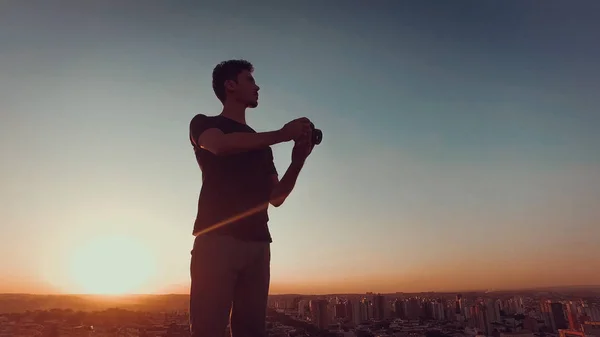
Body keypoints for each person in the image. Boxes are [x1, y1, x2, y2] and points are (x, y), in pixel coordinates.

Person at [188, 59, 314, 337]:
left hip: (258, 245)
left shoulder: (261, 146)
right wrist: (282, 135)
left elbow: (276, 197)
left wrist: (298, 161)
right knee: (208, 330)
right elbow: (219, 146)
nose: (257, 87)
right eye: (249, 80)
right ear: (230, 85)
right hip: (217, 240)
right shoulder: (204, 124)